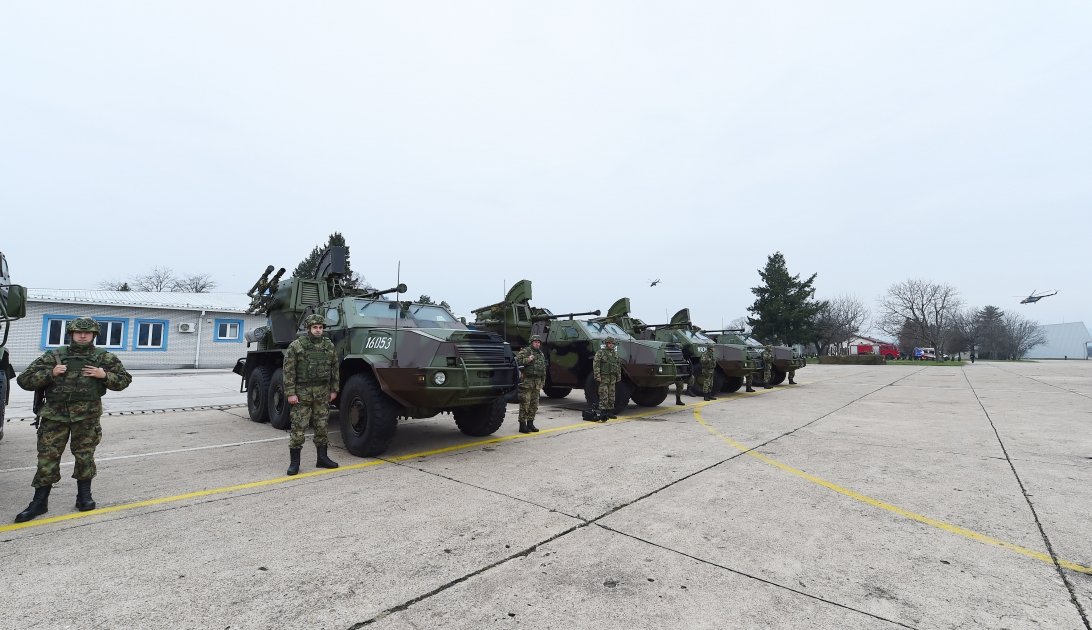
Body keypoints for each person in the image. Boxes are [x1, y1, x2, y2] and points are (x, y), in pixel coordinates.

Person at [14, 317, 132, 523]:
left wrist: (103, 375)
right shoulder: (55, 355)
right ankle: (39, 502)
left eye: (87, 333)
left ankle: (84, 497)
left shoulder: (103, 357)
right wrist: (50, 373)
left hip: (87, 417)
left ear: (94, 335)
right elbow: (24, 380)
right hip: (54, 416)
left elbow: (124, 380)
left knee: (85, 455)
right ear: (71, 334)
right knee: (47, 457)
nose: (83, 335)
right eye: (78, 332)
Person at [283, 313, 340, 476]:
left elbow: (334, 367)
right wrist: (290, 393)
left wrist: (334, 389)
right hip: (302, 393)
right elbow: (288, 371)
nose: (318, 330)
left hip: (322, 392)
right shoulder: (297, 346)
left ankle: (322, 458)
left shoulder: (328, 345)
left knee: (322, 426)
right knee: (298, 428)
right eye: (315, 327)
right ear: (308, 328)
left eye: (320, 327)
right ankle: (295, 463)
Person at [515, 335, 546, 433]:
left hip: (537, 382)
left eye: (539, 342)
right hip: (527, 382)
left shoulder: (541, 354)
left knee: (534, 404)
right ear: (531, 342)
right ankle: (522, 425)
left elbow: (543, 369)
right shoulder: (526, 351)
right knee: (525, 403)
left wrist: (542, 381)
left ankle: (530, 423)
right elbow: (517, 360)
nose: (537, 344)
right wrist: (528, 359)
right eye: (535, 342)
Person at [592, 337, 621, 421]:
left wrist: (618, 376)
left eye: (612, 343)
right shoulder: (600, 353)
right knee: (603, 394)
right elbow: (596, 364)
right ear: (606, 344)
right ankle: (603, 412)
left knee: (611, 395)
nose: (611, 345)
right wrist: (597, 375)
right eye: (609, 343)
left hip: (612, 378)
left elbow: (618, 366)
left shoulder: (615, 354)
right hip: (604, 378)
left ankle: (610, 412)